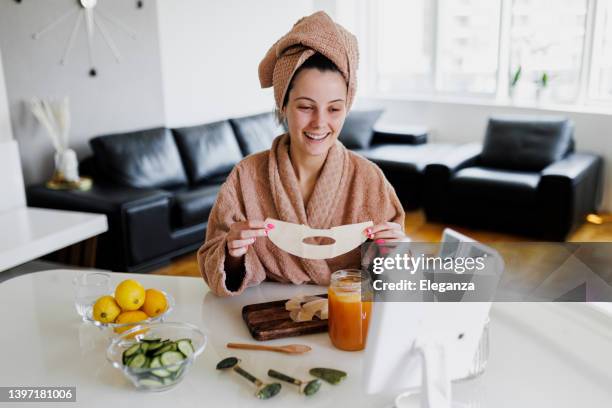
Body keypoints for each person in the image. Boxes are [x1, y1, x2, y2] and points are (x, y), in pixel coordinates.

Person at [198, 11, 406, 296]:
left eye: (334, 109)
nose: (320, 123)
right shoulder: (246, 176)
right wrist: (232, 252)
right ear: (283, 105)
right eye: (305, 107)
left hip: (344, 311)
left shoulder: (369, 180)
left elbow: (389, 280)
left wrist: (393, 252)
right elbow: (216, 267)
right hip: (265, 313)